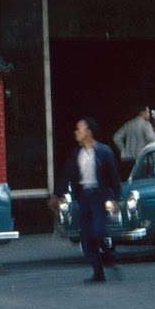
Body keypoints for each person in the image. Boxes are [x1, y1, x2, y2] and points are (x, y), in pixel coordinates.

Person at [62, 116, 122, 283]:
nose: (76, 132)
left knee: (97, 230)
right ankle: (98, 272)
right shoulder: (76, 153)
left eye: (79, 129)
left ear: (88, 132)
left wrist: (116, 198)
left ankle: (109, 253)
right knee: (86, 237)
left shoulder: (104, 151)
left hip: (98, 196)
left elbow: (114, 177)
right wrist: (60, 194)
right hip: (84, 197)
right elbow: (68, 174)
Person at [113, 105, 155, 176]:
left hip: (128, 160)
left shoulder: (128, 124)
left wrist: (124, 150)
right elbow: (151, 139)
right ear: (142, 112)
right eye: (148, 111)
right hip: (142, 160)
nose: (149, 114)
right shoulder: (146, 124)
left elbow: (116, 137)